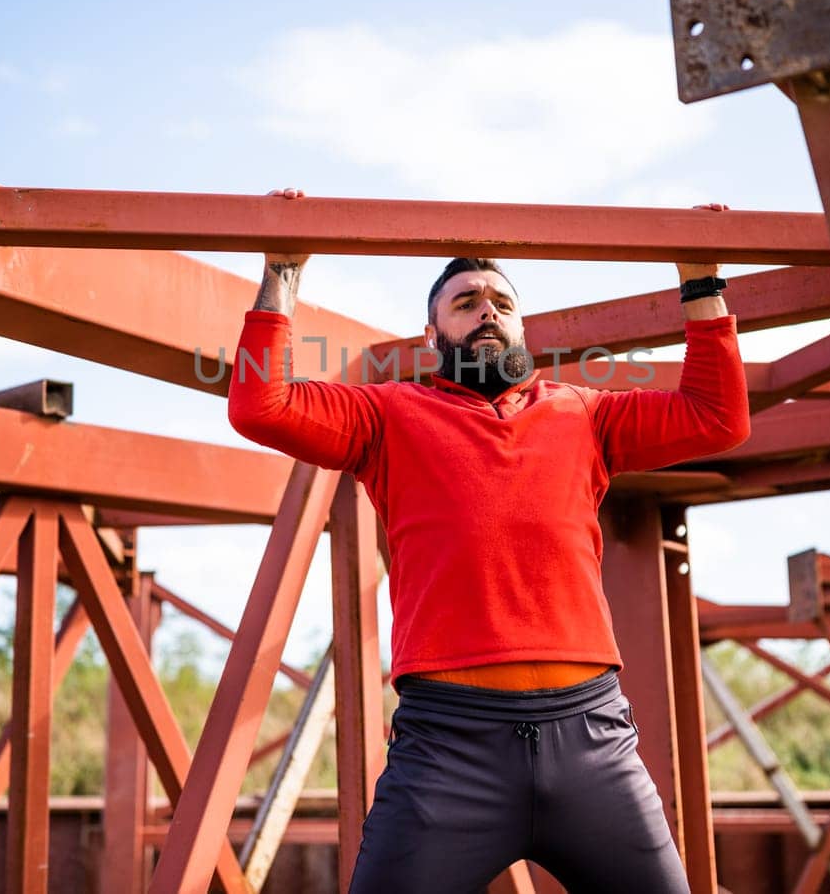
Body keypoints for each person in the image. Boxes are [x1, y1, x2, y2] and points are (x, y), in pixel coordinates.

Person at [227, 189, 750, 893]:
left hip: (590, 736)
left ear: (522, 327)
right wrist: (282, 275)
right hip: (448, 749)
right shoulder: (389, 415)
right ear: (432, 333)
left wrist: (701, 281)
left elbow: (717, 417)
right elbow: (262, 405)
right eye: (466, 301)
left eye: (501, 302)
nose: (487, 312)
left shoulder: (583, 413)